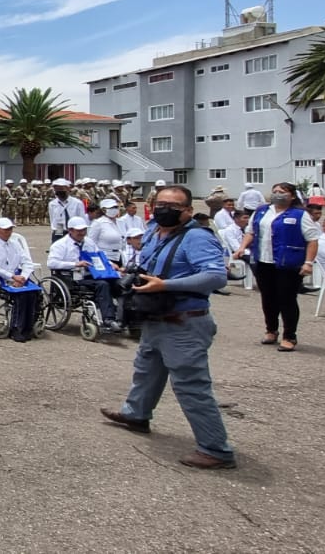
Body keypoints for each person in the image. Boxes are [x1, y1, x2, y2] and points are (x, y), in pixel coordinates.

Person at [101, 183, 235, 470]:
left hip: (184, 321)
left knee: (191, 385)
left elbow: (216, 276)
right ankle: (136, 414)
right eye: (160, 204)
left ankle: (215, 448)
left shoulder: (197, 238)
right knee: (146, 368)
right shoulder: (154, 232)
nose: (164, 210)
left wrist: (167, 284)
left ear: (187, 211)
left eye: (172, 207)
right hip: (155, 317)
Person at [231, 183, 320, 352]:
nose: (278, 194)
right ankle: (271, 330)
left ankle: (289, 336)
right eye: (275, 192)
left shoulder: (300, 214)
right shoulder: (262, 211)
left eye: (282, 192)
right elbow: (251, 232)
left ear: (292, 196)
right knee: (268, 298)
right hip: (264, 261)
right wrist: (242, 247)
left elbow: (312, 240)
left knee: (287, 299)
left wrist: (308, 262)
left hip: (288, 263)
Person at [47, 216, 120, 333]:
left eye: (84, 230)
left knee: (117, 282)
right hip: (74, 278)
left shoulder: (89, 242)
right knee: (102, 285)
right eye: (79, 231)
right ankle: (108, 319)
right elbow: (51, 263)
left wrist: (111, 264)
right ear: (70, 230)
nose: (82, 233)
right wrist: (76, 264)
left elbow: (99, 256)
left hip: (92, 274)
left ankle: (122, 314)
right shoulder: (60, 245)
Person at [88, 199, 127, 265]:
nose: (114, 209)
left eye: (116, 207)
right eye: (111, 208)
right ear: (104, 210)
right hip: (105, 257)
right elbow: (91, 243)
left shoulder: (121, 222)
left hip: (120, 257)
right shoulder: (98, 223)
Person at [47, 179, 86, 243]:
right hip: (59, 229)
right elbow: (52, 219)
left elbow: (82, 219)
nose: (59, 191)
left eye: (62, 189)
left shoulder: (77, 203)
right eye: (57, 189)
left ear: (68, 189)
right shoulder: (52, 204)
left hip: (74, 230)